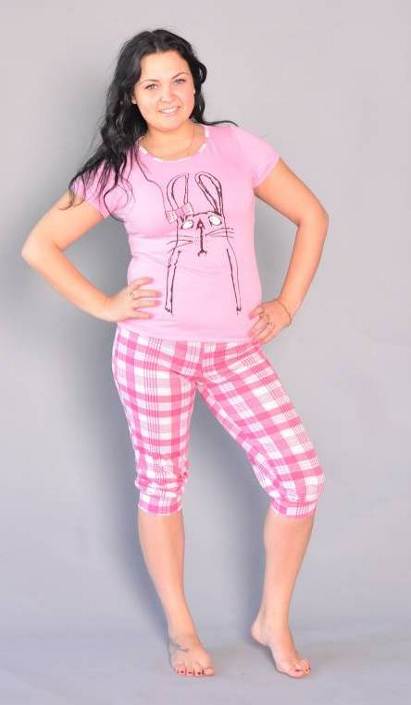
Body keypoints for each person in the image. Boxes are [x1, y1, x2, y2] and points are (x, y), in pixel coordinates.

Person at [21, 28, 329, 680]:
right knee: (161, 485)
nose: (168, 95)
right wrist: (104, 305)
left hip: (235, 351)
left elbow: (312, 215)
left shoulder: (236, 147)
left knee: (299, 477)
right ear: (132, 96)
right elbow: (39, 245)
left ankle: (272, 618)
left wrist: (286, 304)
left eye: (179, 80)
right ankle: (182, 628)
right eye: (152, 84)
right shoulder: (117, 170)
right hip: (153, 352)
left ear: (195, 83)